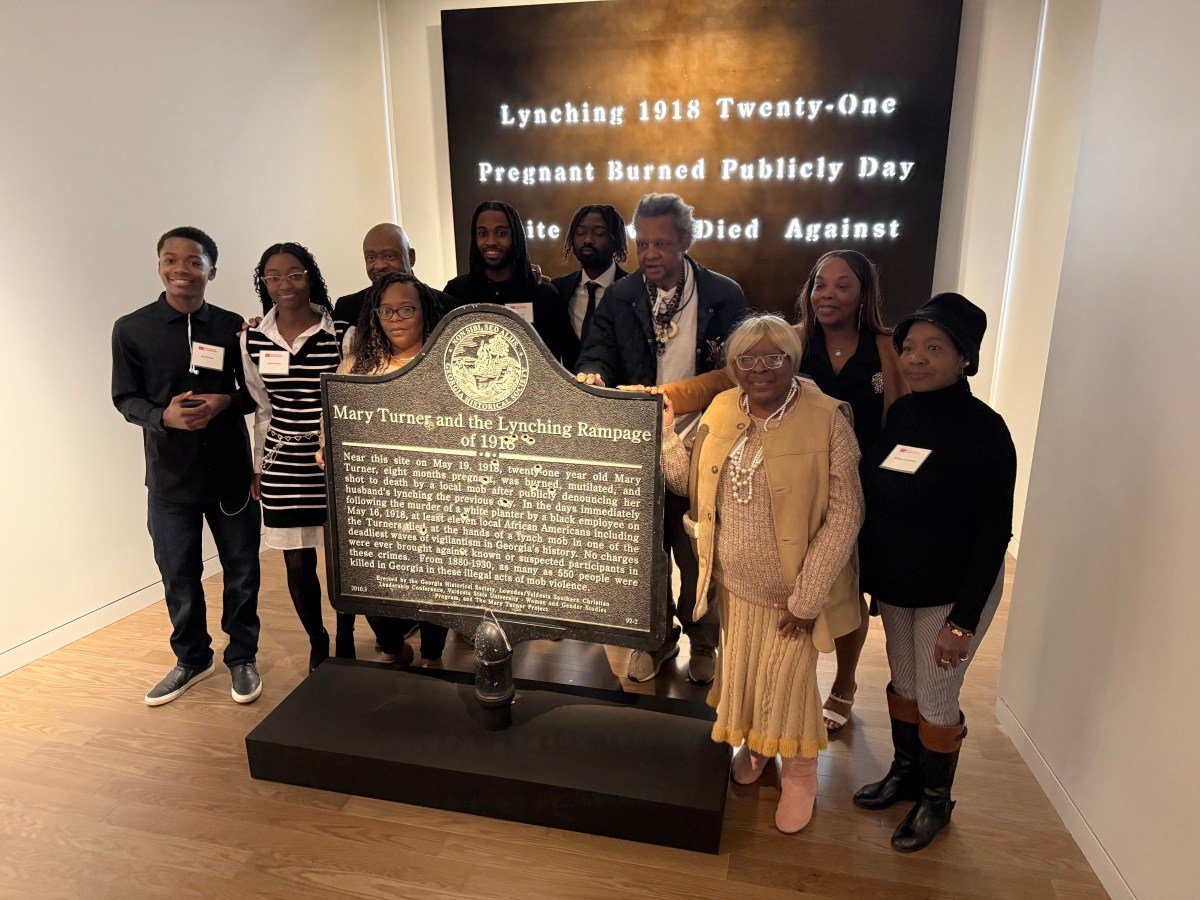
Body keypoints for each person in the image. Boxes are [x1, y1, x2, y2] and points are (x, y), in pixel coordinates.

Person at [662, 249, 907, 732]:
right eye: (820, 284)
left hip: (864, 484)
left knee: (847, 588)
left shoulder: (886, 349)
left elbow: (908, 415)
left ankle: (844, 683)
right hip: (796, 490)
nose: (828, 294)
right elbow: (724, 382)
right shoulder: (787, 340)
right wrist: (662, 399)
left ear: (864, 294)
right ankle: (759, 724)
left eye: (842, 285)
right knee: (787, 603)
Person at [661, 314, 863, 833]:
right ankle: (757, 744)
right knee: (747, 675)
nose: (760, 369)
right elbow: (688, 483)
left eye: (774, 357)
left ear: (793, 361)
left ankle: (800, 769)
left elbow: (846, 514)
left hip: (793, 593)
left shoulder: (827, 417)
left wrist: (807, 599)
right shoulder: (723, 406)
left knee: (788, 685)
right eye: (747, 359)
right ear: (733, 366)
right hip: (734, 585)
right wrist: (664, 435)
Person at [853, 293, 1015, 853]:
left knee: (938, 694)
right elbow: (884, 500)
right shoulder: (903, 414)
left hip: (953, 591)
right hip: (901, 586)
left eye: (935, 348)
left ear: (965, 357)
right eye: (910, 347)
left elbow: (994, 535)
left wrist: (963, 621)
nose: (916, 359)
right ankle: (905, 774)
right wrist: (877, 580)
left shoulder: (985, 430)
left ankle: (936, 800)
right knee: (904, 683)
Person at [576, 192, 748, 684]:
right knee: (644, 557)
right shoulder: (621, 296)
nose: (650, 254)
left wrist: (672, 397)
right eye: (643, 243)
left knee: (697, 550)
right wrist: (593, 373)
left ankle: (704, 640)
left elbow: (738, 370)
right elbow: (596, 352)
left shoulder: (723, 294)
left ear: (686, 241)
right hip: (639, 448)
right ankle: (653, 639)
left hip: (706, 443)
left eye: (662, 244)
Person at [111, 226, 262, 706]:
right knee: (178, 573)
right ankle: (192, 659)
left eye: (194, 261)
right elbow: (125, 398)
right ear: (159, 265)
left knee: (242, 570)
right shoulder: (131, 328)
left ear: (211, 271)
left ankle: (242, 656)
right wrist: (163, 417)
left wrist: (223, 402)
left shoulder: (232, 327)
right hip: (169, 479)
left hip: (230, 474)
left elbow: (253, 393)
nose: (182, 270)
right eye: (171, 260)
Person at [320, 271, 450, 665]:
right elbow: (332, 423)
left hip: (436, 499)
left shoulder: (447, 365)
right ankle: (393, 645)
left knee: (437, 584)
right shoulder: (356, 367)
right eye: (387, 310)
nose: (396, 318)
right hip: (376, 501)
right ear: (375, 315)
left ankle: (432, 655)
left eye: (406, 309)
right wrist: (326, 449)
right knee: (373, 584)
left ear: (424, 312)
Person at [240, 242, 341, 671]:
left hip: (332, 462)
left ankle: (346, 636)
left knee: (343, 560)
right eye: (274, 276)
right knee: (298, 563)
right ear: (263, 282)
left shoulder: (340, 333)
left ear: (310, 276)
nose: (285, 284)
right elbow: (262, 409)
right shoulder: (252, 338)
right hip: (282, 464)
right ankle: (318, 641)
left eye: (295, 274)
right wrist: (258, 468)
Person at [443, 200, 575, 365]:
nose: (491, 241)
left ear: (516, 237)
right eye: (483, 233)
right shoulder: (457, 291)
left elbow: (568, 358)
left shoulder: (544, 294)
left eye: (501, 233)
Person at [331, 223, 455, 351]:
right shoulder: (347, 308)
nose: (379, 265)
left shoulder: (448, 307)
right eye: (371, 257)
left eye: (389, 256)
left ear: (411, 257)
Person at [549, 203, 630, 370]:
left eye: (598, 233)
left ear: (615, 239)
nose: (587, 240)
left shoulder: (634, 290)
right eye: (580, 233)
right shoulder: (558, 289)